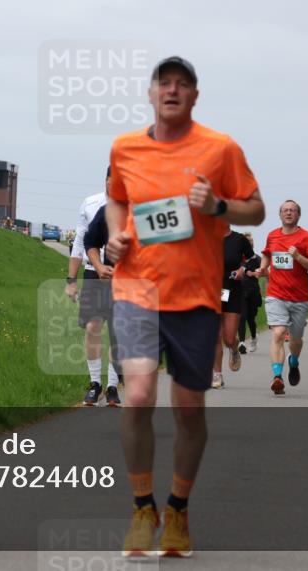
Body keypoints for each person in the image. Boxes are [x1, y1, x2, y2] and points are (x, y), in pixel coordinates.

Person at [105, 56, 264, 557]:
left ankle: (177, 508)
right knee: (136, 395)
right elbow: (117, 198)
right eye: (164, 83)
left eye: (183, 85)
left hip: (195, 296)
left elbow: (256, 207)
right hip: (136, 290)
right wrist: (114, 236)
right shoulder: (125, 147)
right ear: (151, 94)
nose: (172, 91)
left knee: (188, 407)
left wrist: (218, 207)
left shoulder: (220, 149)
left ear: (195, 96)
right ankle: (141, 507)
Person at [66, 168, 121, 406]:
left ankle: (111, 386)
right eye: (110, 181)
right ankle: (95, 382)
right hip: (94, 272)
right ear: (106, 181)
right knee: (92, 327)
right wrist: (71, 280)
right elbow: (81, 241)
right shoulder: (92, 204)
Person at [256, 200, 308, 395]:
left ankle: (294, 361)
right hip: (276, 294)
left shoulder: (307, 237)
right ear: (280, 215)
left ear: (298, 215)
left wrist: (299, 257)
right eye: (285, 210)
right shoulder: (273, 235)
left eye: (292, 210)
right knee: (278, 333)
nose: (289, 213)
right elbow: (267, 253)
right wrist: (263, 267)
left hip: (299, 297)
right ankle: (277, 376)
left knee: (296, 339)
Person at [211, 228, 254, 388]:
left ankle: (234, 349)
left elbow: (252, 259)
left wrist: (242, 270)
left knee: (228, 338)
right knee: (215, 335)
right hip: (210, 290)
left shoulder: (238, 239)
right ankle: (217, 375)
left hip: (232, 290)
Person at [239, 233, 262, 353]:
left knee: (250, 318)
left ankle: (253, 337)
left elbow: (264, 273)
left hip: (253, 292)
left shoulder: (257, 259)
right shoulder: (237, 258)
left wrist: (254, 273)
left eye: (250, 241)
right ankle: (241, 343)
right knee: (241, 317)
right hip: (239, 292)